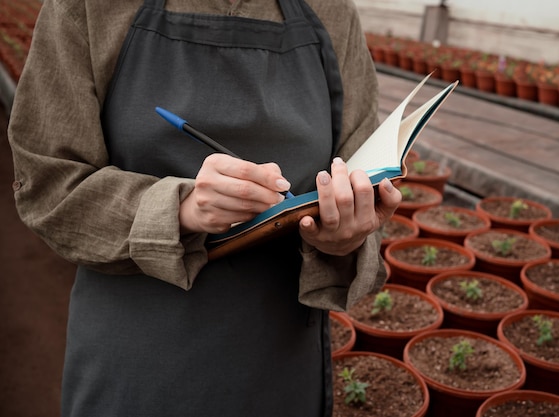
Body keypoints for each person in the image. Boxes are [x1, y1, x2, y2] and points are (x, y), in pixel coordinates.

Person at [8, 0, 401, 416]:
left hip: (279, 356)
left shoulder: (332, 12)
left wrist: (347, 234)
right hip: (138, 355)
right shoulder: (90, 7)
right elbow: (48, 183)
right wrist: (179, 208)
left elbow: (359, 168)